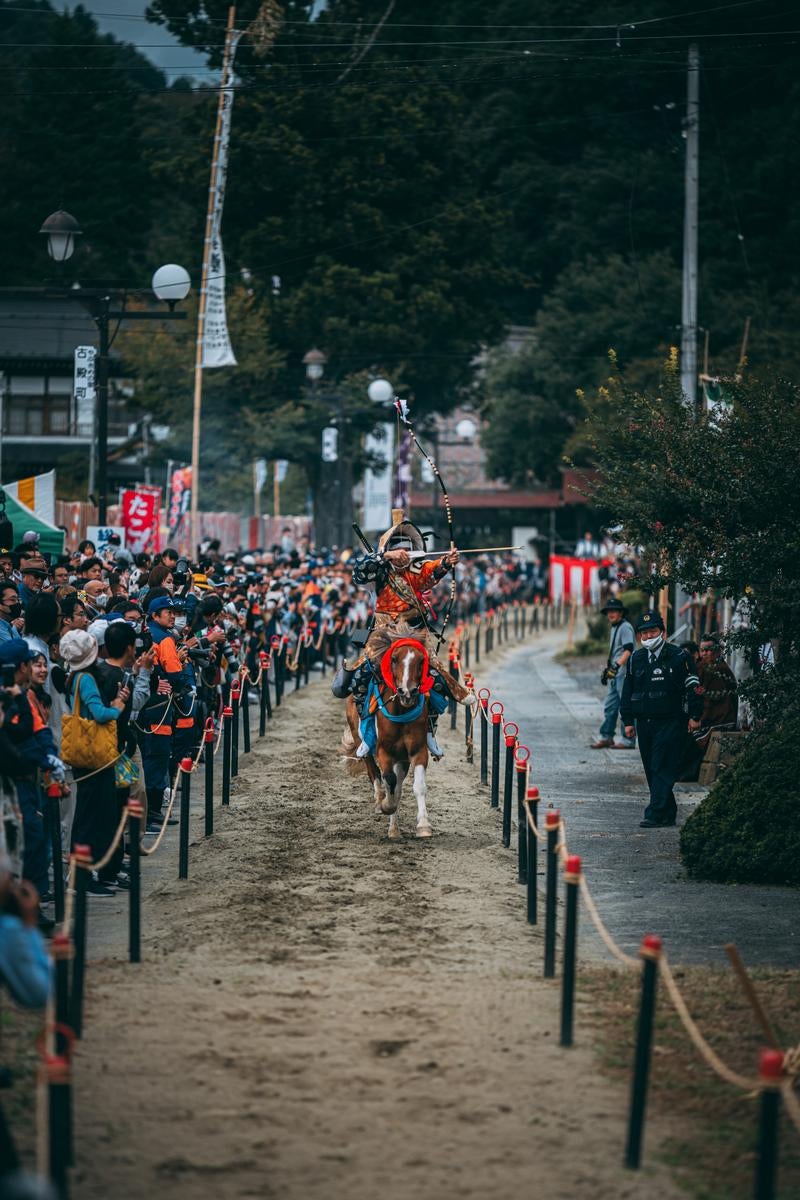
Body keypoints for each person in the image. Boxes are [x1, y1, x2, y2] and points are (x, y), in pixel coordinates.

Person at [332, 510, 470, 759]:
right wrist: (385, 555)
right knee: (363, 675)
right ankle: (368, 733)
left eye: (408, 552)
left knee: (434, 674)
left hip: (415, 633)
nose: (404, 557)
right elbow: (359, 572)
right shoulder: (378, 573)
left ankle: (428, 730)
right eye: (400, 552)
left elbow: (432, 571)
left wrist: (447, 562)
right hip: (383, 634)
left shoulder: (416, 573)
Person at [620, 611, 704, 828]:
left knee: (662, 766)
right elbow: (627, 692)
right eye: (644, 633)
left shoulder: (679, 657)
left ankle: (654, 813)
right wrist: (627, 721)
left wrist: (695, 716)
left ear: (663, 632)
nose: (648, 636)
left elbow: (694, 688)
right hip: (644, 723)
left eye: (652, 631)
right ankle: (668, 812)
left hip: (671, 722)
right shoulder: (636, 659)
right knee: (651, 768)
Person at [60, 629, 128, 896]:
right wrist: (117, 708)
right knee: (91, 818)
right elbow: (99, 713)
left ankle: (85, 874)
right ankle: (82, 878)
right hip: (93, 758)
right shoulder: (86, 679)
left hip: (84, 757)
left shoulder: (73, 677)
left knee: (87, 815)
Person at [591, 599, 636, 750]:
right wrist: (608, 670)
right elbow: (616, 652)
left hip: (623, 673)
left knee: (625, 706)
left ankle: (628, 740)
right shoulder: (615, 627)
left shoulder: (625, 627)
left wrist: (616, 666)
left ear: (621, 612)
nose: (611, 614)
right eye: (609, 611)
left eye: (614, 611)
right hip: (615, 674)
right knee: (610, 706)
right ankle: (607, 736)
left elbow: (628, 650)